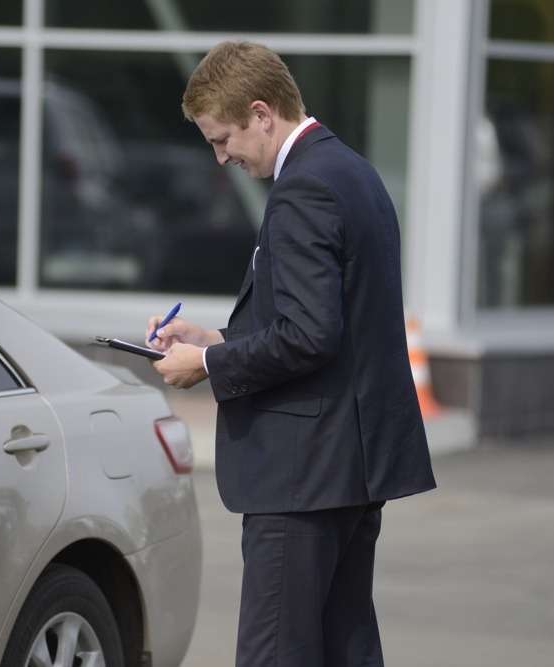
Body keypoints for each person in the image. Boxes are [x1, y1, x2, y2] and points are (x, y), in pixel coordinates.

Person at [147, 41, 436, 667]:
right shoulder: (351, 171)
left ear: (260, 113)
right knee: (344, 646)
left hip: (303, 474)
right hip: (350, 466)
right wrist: (215, 340)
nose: (221, 157)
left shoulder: (304, 189)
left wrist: (208, 367)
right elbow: (331, 323)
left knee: (276, 653)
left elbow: (310, 334)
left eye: (222, 139)